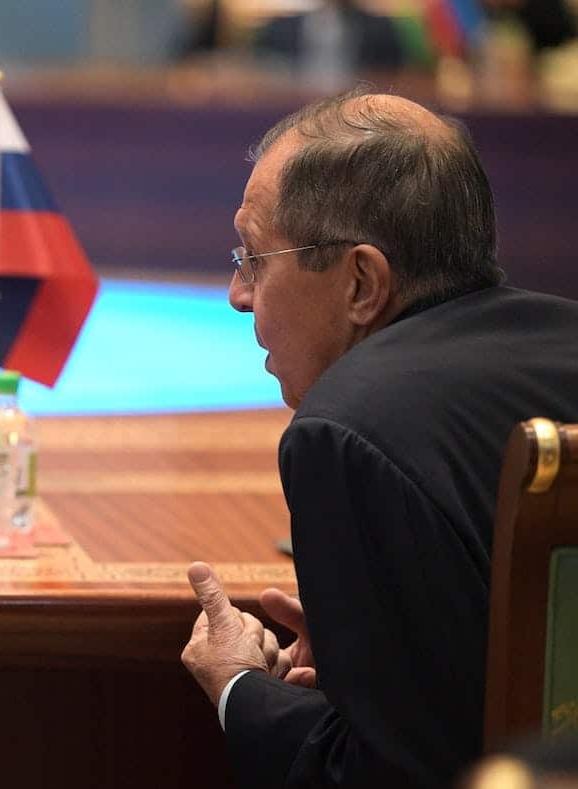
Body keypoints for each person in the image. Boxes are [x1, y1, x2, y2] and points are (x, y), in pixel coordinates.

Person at [180, 89, 578, 787]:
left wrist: (242, 688)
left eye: (255, 258)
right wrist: (374, 648)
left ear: (362, 281)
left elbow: (389, 776)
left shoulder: (345, 430)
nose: (239, 294)